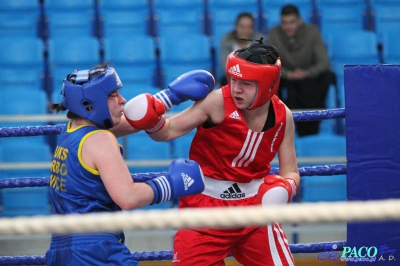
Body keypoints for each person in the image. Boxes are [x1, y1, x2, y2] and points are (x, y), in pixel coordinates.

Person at [124, 40, 300, 265]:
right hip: (204, 211)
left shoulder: (283, 116)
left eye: (246, 83)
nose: (236, 88)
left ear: (268, 84)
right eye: (233, 79)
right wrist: (151, 119)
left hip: (256, 212)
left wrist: (286, 187)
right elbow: (166, 132)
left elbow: (291, 171)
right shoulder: (216, 102)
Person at [45, 63, 215, 266]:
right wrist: (172, 183)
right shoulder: (100, 140)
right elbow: (128, 197)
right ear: (91, 104)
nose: (122, 100)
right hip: (94, 249)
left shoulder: (73, 131)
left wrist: (170, 97)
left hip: (61, 248)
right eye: (113, 94)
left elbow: (133, 121)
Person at [267, 4, 333, 137]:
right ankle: (277, 126)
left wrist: (307, 73)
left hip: (310, 77)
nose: (288, 26)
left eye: (292, 22)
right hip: (286, 77)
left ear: (300, 21)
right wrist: (288, 74)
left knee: (328, 76)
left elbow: (324, 62)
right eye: (284, 23)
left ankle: (312, 124)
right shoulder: (274, 33)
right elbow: (271, 62)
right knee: (271, 80)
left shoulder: (312, 31)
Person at [219, 12, 263, 86]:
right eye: (242, 27)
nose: (246, 30)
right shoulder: (227, 40)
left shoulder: (260, 40)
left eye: (249, 27)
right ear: (236, 26)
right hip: (232, 78)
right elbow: (225, 66)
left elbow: (262, 65)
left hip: (254, 79)